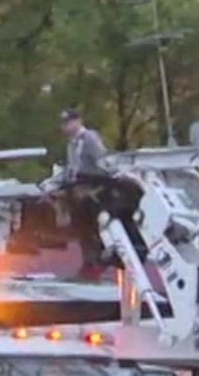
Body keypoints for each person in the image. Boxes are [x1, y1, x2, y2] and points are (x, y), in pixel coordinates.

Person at [49, 108, 145, 277]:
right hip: (77, 185)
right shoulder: (72, 144)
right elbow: (72, 167)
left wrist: (116, 176)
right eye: (64, 124)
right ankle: (90, 261)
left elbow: (102, 161)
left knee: (92, 224)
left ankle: (97, 260)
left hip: (95, 185)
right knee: (81, 225)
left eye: (69, 122)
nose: (66, 127)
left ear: (78, 121)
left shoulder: (89, 138)